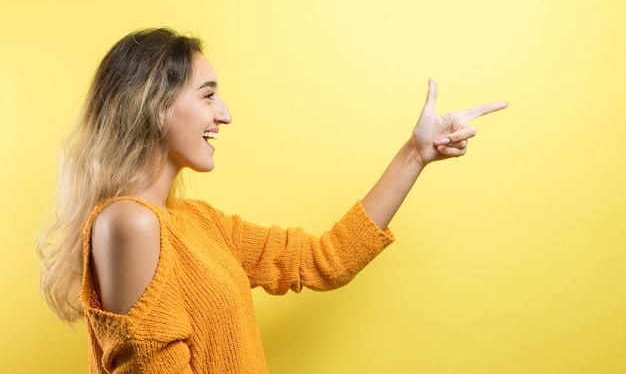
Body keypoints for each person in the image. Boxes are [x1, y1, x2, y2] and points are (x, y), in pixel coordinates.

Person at [37, 27, 508, 373]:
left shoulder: (194, 221)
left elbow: (323, 260)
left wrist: (415, 154)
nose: (224, 114)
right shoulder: (129, 223)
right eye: (208, 95)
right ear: (155, 106)